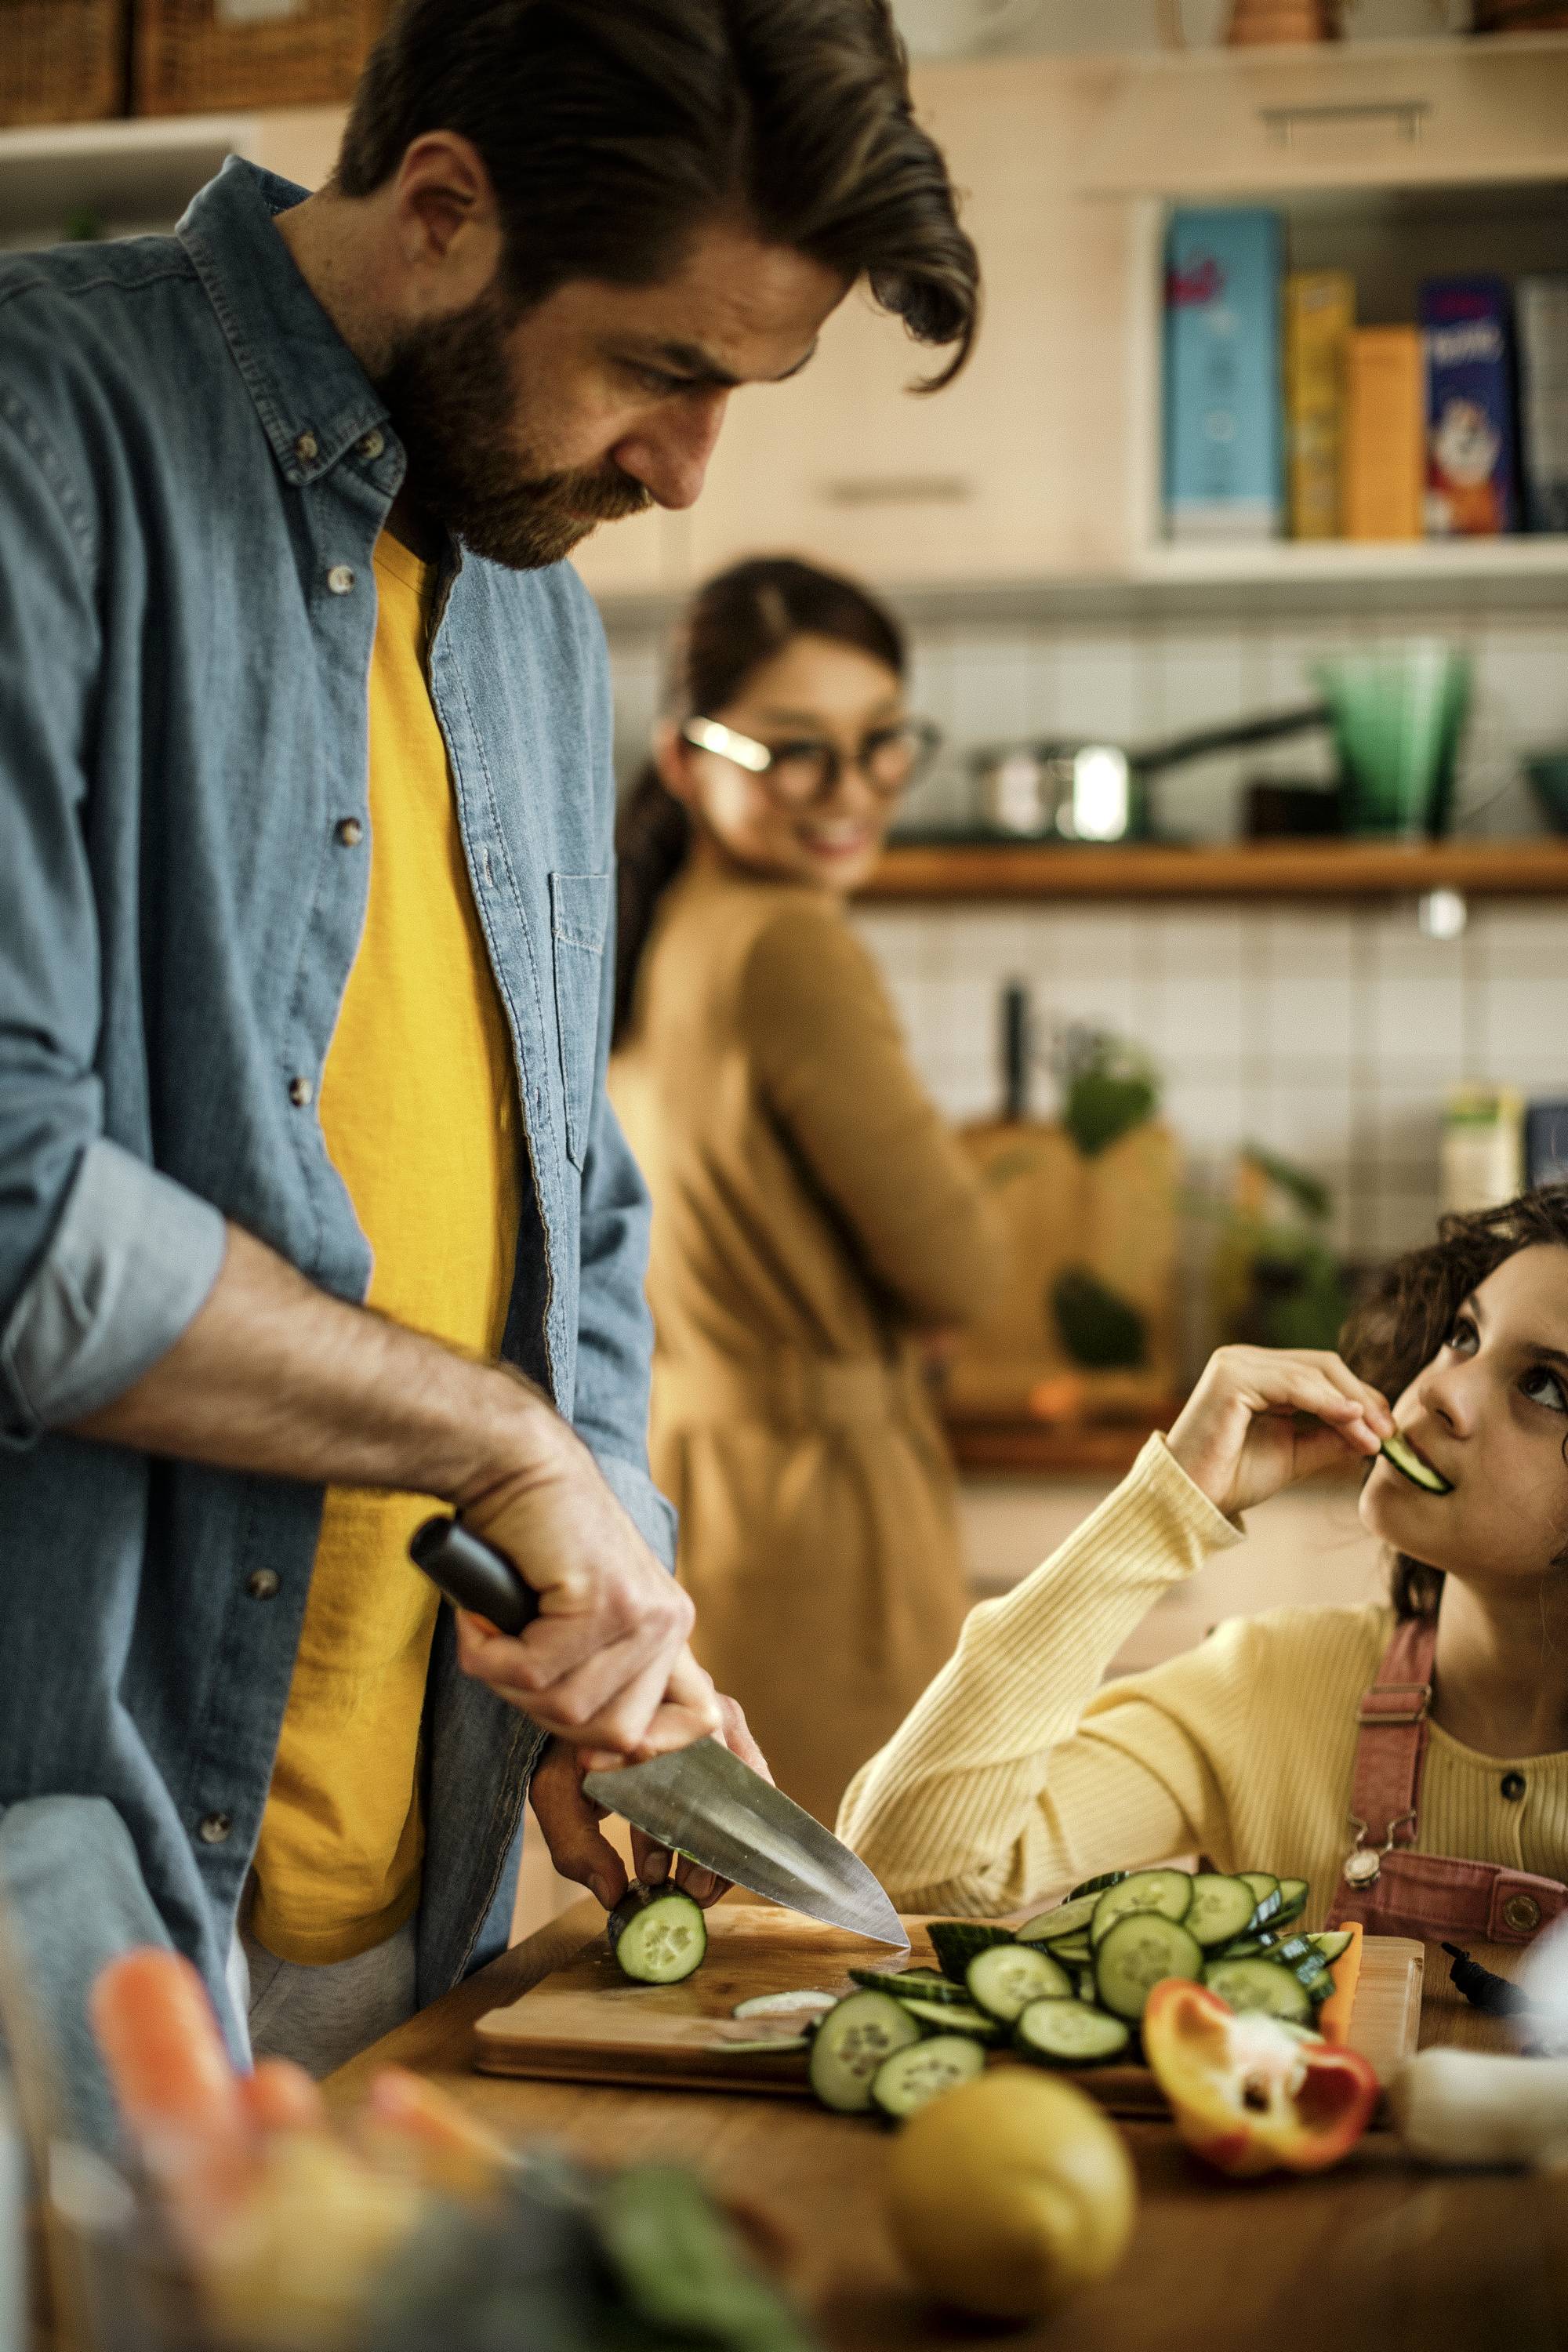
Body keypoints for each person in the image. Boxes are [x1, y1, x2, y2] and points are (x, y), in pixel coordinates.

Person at [0, 0, 980, 2114]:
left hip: (408, 1905)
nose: (690, 469)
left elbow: (582, 1213)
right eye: (663, 366)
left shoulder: (533, 604)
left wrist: (604, 1592)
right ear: (445, 209)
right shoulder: (38, 435)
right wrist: (507, 1453)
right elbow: (16, 1210)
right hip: (65, 1902)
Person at [840, 1188, 1568, 1948]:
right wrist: (1162, 1509)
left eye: (1543, 1386)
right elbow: (897, 1872)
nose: (1440, 1390)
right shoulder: (1266, 1686)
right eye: (1462, 1336)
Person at [609, 558, 1007, 1825]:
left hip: (692, 1483)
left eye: (882, 744)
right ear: (684, 757)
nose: (853, 794)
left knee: (720, 1929)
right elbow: (964, 1270)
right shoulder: (792, 946)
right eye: (797, 752)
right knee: (848, 1916)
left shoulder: (677, 920)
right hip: (820, 1518)